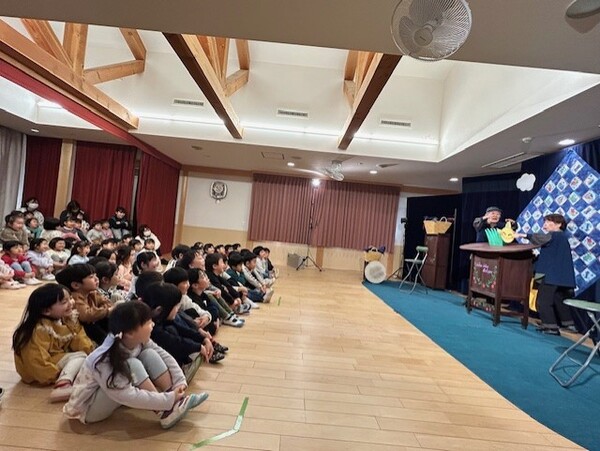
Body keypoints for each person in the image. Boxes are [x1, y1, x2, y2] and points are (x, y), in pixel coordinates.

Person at [63, 301, 209, 428]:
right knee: (132, 364)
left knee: (149, 353)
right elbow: (126, 395)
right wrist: (167, 400)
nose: (152, 325)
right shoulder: (103, 359)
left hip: (115, 392)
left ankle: (176, 401)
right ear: (130, 333)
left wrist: (179, 382)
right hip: (89, 408)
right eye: (148, 323)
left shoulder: (138, 340)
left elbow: (164, 355)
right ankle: (165, 410)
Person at [12, 284, 94, 402]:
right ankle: (63, 384)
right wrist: (52, 375)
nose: (71, 303)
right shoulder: (39, 330)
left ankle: (69, 377)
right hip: (40, 370)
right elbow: (36, 360)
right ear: (46, 311)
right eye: (64, 302)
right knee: (80, 357)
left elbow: (80, 340)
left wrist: (91, 354)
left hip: (57, 359)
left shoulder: (67, 319)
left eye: (70, 298)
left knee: (87, 358)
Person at [515, 214, 577, 335]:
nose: (545, 225)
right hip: (561, 277)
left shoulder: (555, 235)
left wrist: (522, 235)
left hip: (550, 276)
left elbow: (541, 238)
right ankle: (568, 324)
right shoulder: (562, 238)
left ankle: (550, 326)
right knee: (558, 299)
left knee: (543, 301)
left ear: (559, 224)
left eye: (548, 222)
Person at [56, 264, 113, 344]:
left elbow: (108, 303)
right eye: (91, 277)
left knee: (106, 318)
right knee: (90, 325)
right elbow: (86, 315)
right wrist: (106, 310)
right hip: (81, 333)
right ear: (76, 285)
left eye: (95, 275)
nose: (96, 279)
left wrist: (103, 310)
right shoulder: (74, 298)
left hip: (93, 325)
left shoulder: (92, 293)